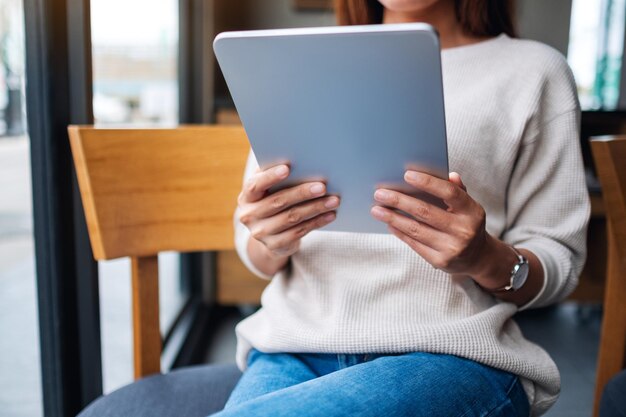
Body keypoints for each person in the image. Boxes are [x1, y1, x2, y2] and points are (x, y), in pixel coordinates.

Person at [210, 0, 590, 416]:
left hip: (452, 354)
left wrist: (484, 256)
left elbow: (560, 259)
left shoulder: (534, 72)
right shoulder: (295, 62)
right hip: (292, 347)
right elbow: (255, 246)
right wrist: (269, 235)